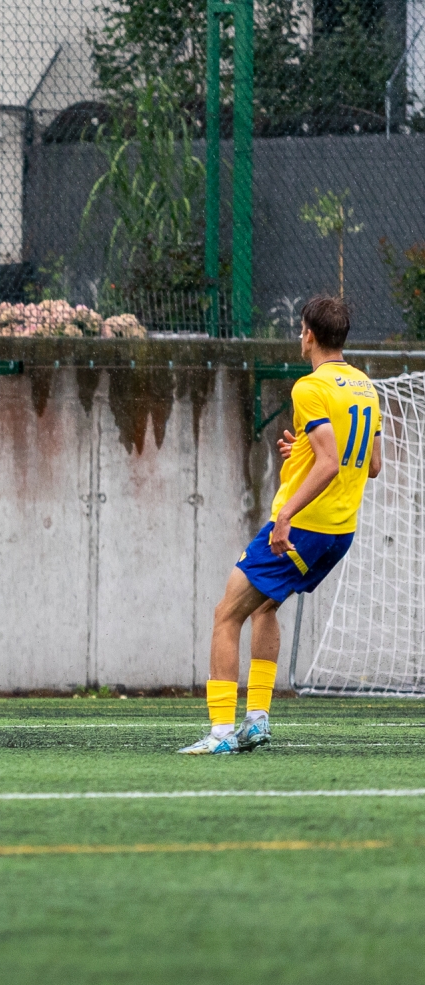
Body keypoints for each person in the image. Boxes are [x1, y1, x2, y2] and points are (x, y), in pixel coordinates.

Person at [181, 296, 381, 754]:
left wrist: (286, 514)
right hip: (339, 532)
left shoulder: (310, 387)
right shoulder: (365, 386)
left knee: (226, 614)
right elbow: (370, 464)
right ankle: (257, 721)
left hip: (304, 525)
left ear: (309, 334)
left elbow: (331, 462)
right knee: (263, 608)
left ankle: (220, 734)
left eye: (300, 329)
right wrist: (304, 451)